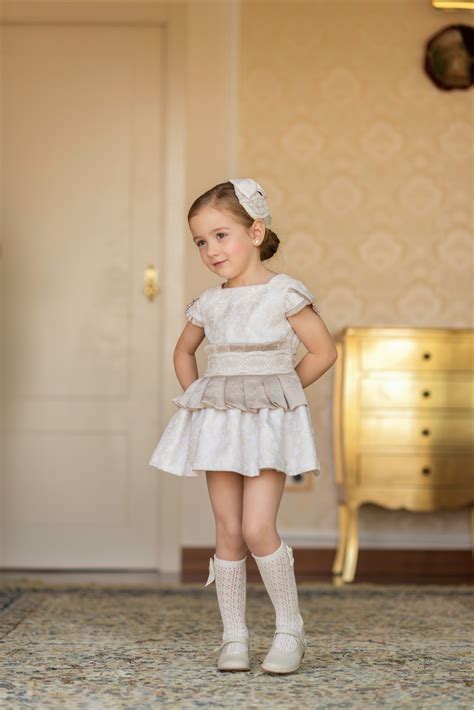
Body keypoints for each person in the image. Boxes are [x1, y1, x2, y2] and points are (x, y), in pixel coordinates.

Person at [149, 178, 338, 674]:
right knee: (228, 530)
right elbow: (183, 352)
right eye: (200, 241)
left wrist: (280, 393)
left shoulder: (283, 293)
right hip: (220, 422)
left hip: (266, 424)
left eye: (221, 235)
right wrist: (198, 399)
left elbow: (323, 351)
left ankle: (290, 628)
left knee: (257, 527)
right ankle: (234, 636)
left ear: (255, 232)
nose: (211, 250)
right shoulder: (209, 303)